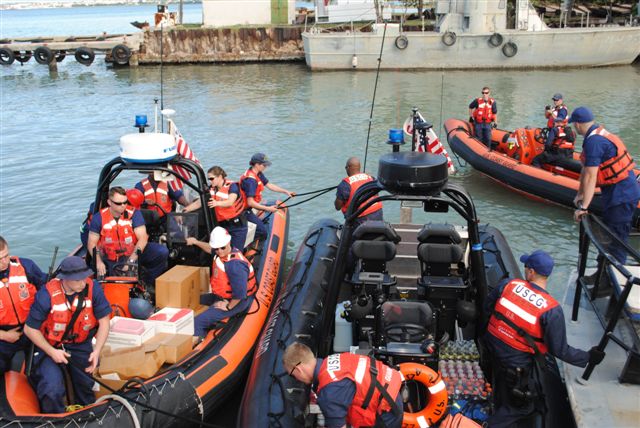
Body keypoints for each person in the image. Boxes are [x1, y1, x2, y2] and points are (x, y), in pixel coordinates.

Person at [484, 250, 604, 428]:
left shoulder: (508, 284)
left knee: (504, 386)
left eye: (526, 267)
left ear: (531, 272)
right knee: (522, 407)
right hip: (514, 361)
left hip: (491, 345)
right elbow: (559, 350)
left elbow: (488, 307)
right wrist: (587, 357)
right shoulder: (551, 310)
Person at [24, 256, 111, 413]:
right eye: (77, 280)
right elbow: (30, 329)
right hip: (50, 346)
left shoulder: (93, 288)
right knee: (51, 388)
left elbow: (104, 321)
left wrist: (97, 351)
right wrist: (52, 352)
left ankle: (86, 412)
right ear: (64, 279)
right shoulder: (46, 295)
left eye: (84, 278)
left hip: (80, 343)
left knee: (86, 383)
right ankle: (55, 418)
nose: (82, 283)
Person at [570, 107, 639, 263]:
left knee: (616, 239)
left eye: (574, 123)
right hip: (616, 192)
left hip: (621, 195)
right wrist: (580, 193)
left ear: (579, 124)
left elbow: (591, 176)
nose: (574, 126)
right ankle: (604, 274)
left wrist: (583, 207)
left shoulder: (594, 142)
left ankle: (611, 279)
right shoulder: (596, 134)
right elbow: (585, 169)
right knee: (610, 235)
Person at [283, 342, 404, 428]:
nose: (296, 379)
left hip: (386, 413)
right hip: (390, 393)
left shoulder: (329, 393)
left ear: (298, 370)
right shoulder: (332, 360)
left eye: (292, 375)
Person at [86, 186, 169, 286]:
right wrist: (98, 262)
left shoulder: (134, 214)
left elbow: (142, 238)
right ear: (109, 202)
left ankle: (148, 283)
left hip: (133, 252)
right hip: (110, 257)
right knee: (114, 283)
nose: (123, 206)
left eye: (125, 202)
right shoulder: (98, 218)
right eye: (118, 203)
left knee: (161, 252)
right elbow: (91, 243)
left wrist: (131, 260)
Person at [193, 227, 257, 338]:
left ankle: (199, 344)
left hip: (237, 302)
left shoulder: (235, 266)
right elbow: (210, 249)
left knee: (197, 322)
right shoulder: (222, 253)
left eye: (222, 248)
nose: (219, 251)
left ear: (229, 242)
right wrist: (195, 242)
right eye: (216, 248)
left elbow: (240, 294)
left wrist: (228, 307)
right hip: (221, 295)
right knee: (194, 300)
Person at [0, 236, 47, 373]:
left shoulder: (26, 266)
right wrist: (4, 335)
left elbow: (47, 290)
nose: (4, 262)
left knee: (42, 368)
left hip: (34, 327)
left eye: (6, 256)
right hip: (5, 334)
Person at [185, 166, 248, 250]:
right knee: (221, 250)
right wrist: (185, 210)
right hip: (222, 226)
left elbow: (230, 202)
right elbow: (199, 202)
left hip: (237, 226)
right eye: (209, 179)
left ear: (220, 177)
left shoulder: (232, 186)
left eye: (212, 178)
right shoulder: (211, 189)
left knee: (236, 250)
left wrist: (216, 203)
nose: (210, 181)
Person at [240, 153, 295, 241]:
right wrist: (268, 209)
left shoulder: (257, 173)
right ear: (257, 164)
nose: (266, 167)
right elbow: (250, 202)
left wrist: (286, 191)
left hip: (249, 206)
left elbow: (269, 185)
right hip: (244, 210)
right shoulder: (251, 180)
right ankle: (245, 243)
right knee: (263, 232)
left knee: (260, 223)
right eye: (264, 165)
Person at [335, 157, 384, 228]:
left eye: (346, 167)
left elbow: (337, 207)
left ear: (348, 167)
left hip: (360, 220)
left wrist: (339, 191)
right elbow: (376, 195)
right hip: (378, 214)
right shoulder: (371, 178)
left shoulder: (345, 185)